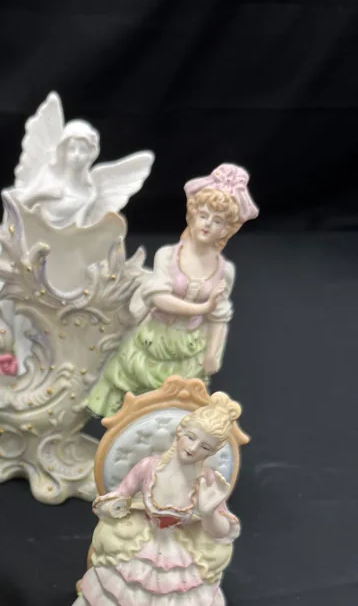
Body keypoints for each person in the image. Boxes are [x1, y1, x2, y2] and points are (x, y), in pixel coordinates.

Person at [69, 393, 243, 606]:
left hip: (177, 546)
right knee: (120, 597)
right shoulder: (149, 466)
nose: (193, 448)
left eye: (204, 446)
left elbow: (221, 532)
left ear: (214, 451)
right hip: (143, 536)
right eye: (191, 437)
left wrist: (207, 513)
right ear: (180, 431)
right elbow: (119, 496)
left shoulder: (208, 482)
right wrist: (114, 506)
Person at [86, 164, 258, 418]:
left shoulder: (225, 270)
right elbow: (159, 298)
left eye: (217, 221)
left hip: (189, 347)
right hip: (153, 340)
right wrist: (202, 307)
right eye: (204, 215)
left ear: (226, 230)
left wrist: (213, 354)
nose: (208, 224)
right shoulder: (168, 255)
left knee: (172, 407)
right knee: (131, 394)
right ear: (192, 216)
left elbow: (218, 317)